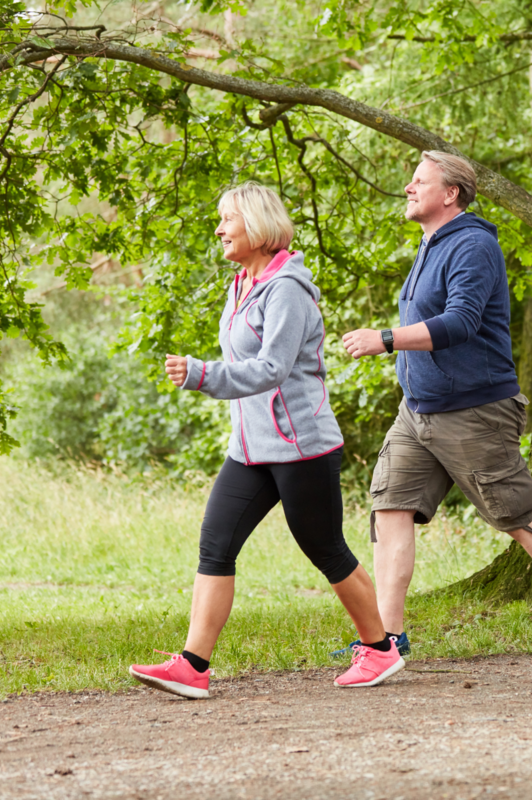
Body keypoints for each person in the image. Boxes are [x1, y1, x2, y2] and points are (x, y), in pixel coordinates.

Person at [129, 183, 403, 698]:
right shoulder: (242, 284)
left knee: (325, 548)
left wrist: (201, 374)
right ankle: (193, 665)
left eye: (227, 219)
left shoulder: (287, 290)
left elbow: (272, 368)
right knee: (216, 543)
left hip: (302, 447)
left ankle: (381, 650)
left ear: (256, 225)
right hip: (250, 449)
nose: (219, 229)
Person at [341, 151, 532, 654]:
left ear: (450, 194)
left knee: (514, 515)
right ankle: (386, 639)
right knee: (390, 508)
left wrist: (386, 338)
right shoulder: (430, 244)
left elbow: (461, 322)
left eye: (419, 180)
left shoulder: (472, 245)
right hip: (418, 409)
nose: (408, 187)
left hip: (474, 410)